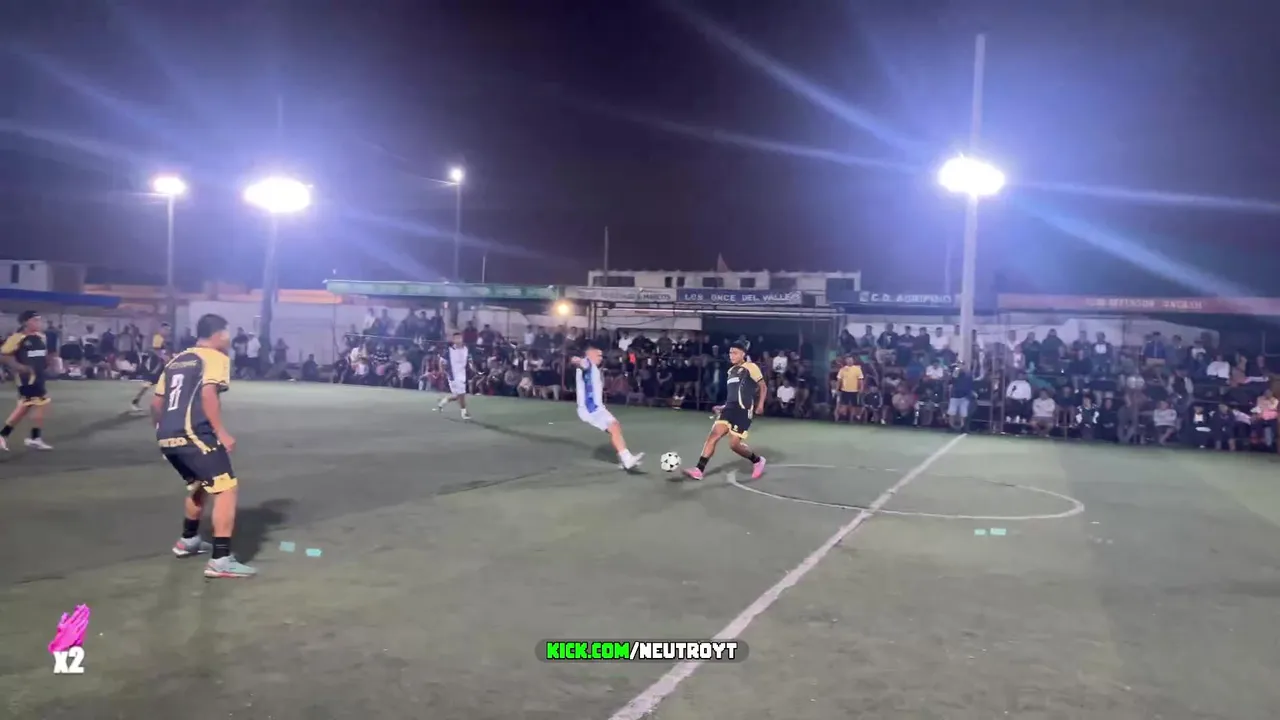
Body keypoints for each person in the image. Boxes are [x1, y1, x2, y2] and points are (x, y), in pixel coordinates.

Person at [151, 313, 255, 578]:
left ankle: (188, 540)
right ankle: (220, 560)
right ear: (219, 334)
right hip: (194, 433)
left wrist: (162, 433)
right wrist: (221, 433)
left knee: (200, 484)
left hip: (168, 435)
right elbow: (208, 393)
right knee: (226, 488)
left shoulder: (177, 359)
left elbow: (156, 403)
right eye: (227, 333)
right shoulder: (215, 357)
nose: (228, 339)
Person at [684, 342, 766, 480]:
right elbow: (733, 394)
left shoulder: (751, 367)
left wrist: (760, 404)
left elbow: (763, 387)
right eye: (730, 353)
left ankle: (757, 461)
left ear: (743, 354)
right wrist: (724, 406)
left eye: (735, 353)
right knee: (713, 436)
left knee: (734, 445)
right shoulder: (730, 371)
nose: (731, 355)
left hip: (743, 410)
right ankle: (699, 470)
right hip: (729, 409)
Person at [571, 343, 643, 470]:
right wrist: (577, 360)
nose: (601, 358)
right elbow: (580, 362)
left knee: (615, 426)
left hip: (597, 408)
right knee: (614, 427)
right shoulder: (587, 364)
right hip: (591, 409)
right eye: (598, 355)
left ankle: (626, 458)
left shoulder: (593, 368)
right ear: (589, 354)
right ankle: (626, 459)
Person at [0, 310, 56, 451]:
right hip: (26, 379)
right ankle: (5, 435)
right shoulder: (17, 337)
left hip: (39, 377)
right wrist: (19, 367)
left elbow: (42, 355)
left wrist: (48, 363)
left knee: (34, 405)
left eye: (39, 320)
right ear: (26, 322)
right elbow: (4, 356)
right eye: (35, 320)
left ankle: (34, 438)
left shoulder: (41, 337)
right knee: (30, 405)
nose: (39, 323)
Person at [130, 324, 171, 412]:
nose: (167, 332)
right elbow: (156, 350)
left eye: (168, 330)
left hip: (160, 365)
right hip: (155, 365)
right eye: (166, 329)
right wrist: (164, 357)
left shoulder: (163, 339)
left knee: (166, 383)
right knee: (148, 383)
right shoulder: (158, 338)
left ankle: (165, 404)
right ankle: (135, 402)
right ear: (161, 329)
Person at [434, 332, 473, 420]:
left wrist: (471, 365)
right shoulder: (449, 350)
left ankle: (442, 403)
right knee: (462, 394)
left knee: (456, 396)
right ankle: (464, 413)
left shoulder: (466, 349)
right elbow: (441, 360)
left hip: (462, 375)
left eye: (459, 338)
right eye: (456, 338)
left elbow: (469, 359)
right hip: (453, 376)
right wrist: (441, 370)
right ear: (453, 340)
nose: (458, 340)